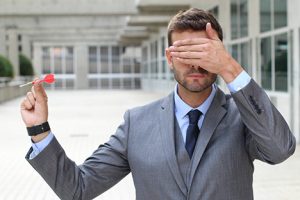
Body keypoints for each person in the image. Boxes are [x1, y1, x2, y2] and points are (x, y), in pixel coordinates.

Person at [21, 8, 296, 200]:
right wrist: (39, 131)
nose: (194, 63)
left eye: (204, 52)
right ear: (168, 57)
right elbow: (77, 190)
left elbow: (281, 150)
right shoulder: (136, 123)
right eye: (184, 52)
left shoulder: (243, 117)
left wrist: (231, 69)